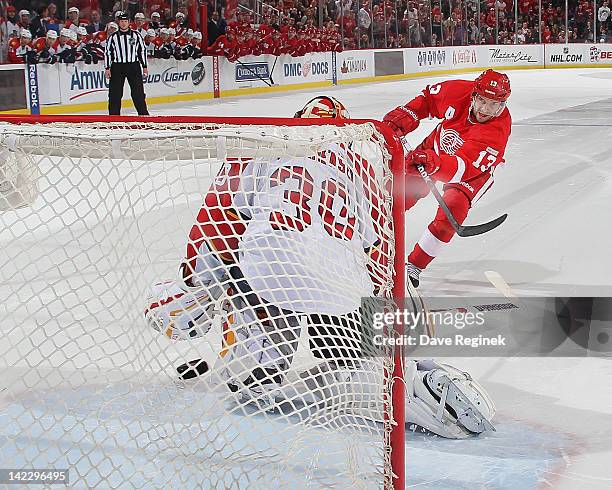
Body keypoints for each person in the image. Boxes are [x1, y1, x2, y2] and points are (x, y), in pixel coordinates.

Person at [143, 96, 496, 438]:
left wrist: (199, 287)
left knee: (251, 371)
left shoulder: (264, 143)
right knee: (351, 362)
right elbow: (380, 252)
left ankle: (261, 369)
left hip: (270, 278)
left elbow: (218, 219)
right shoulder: (362, 169)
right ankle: (408, 381)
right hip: (340, 292)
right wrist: (389, 325)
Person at [383, 69, 512, 287]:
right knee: (398, 197)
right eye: (481, 101)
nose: (484, 109)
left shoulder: (497, 131)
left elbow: (463, 168)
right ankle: (371, 243)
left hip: (471, 174)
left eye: (493, 104)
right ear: (473, 94)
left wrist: (434, 163)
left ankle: (415, 266)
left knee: (450, 216)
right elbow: (428, 100)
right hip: (435, 148)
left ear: (503, 105)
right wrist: (406, 116)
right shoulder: (458, 90)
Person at [104, 11, 149, 115]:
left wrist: (145, 66)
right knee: (115, 93)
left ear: (129, 22)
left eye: (125, 21)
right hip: (117, 67)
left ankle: (143, 115)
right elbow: (108, 53)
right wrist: (107, 68)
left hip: (133, 66)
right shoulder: (113, 37)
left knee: (138, 92)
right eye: (121, 21)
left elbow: (142, 51)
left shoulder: (136, 35)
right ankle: (114, 117)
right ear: (118, 22)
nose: (123, 23)